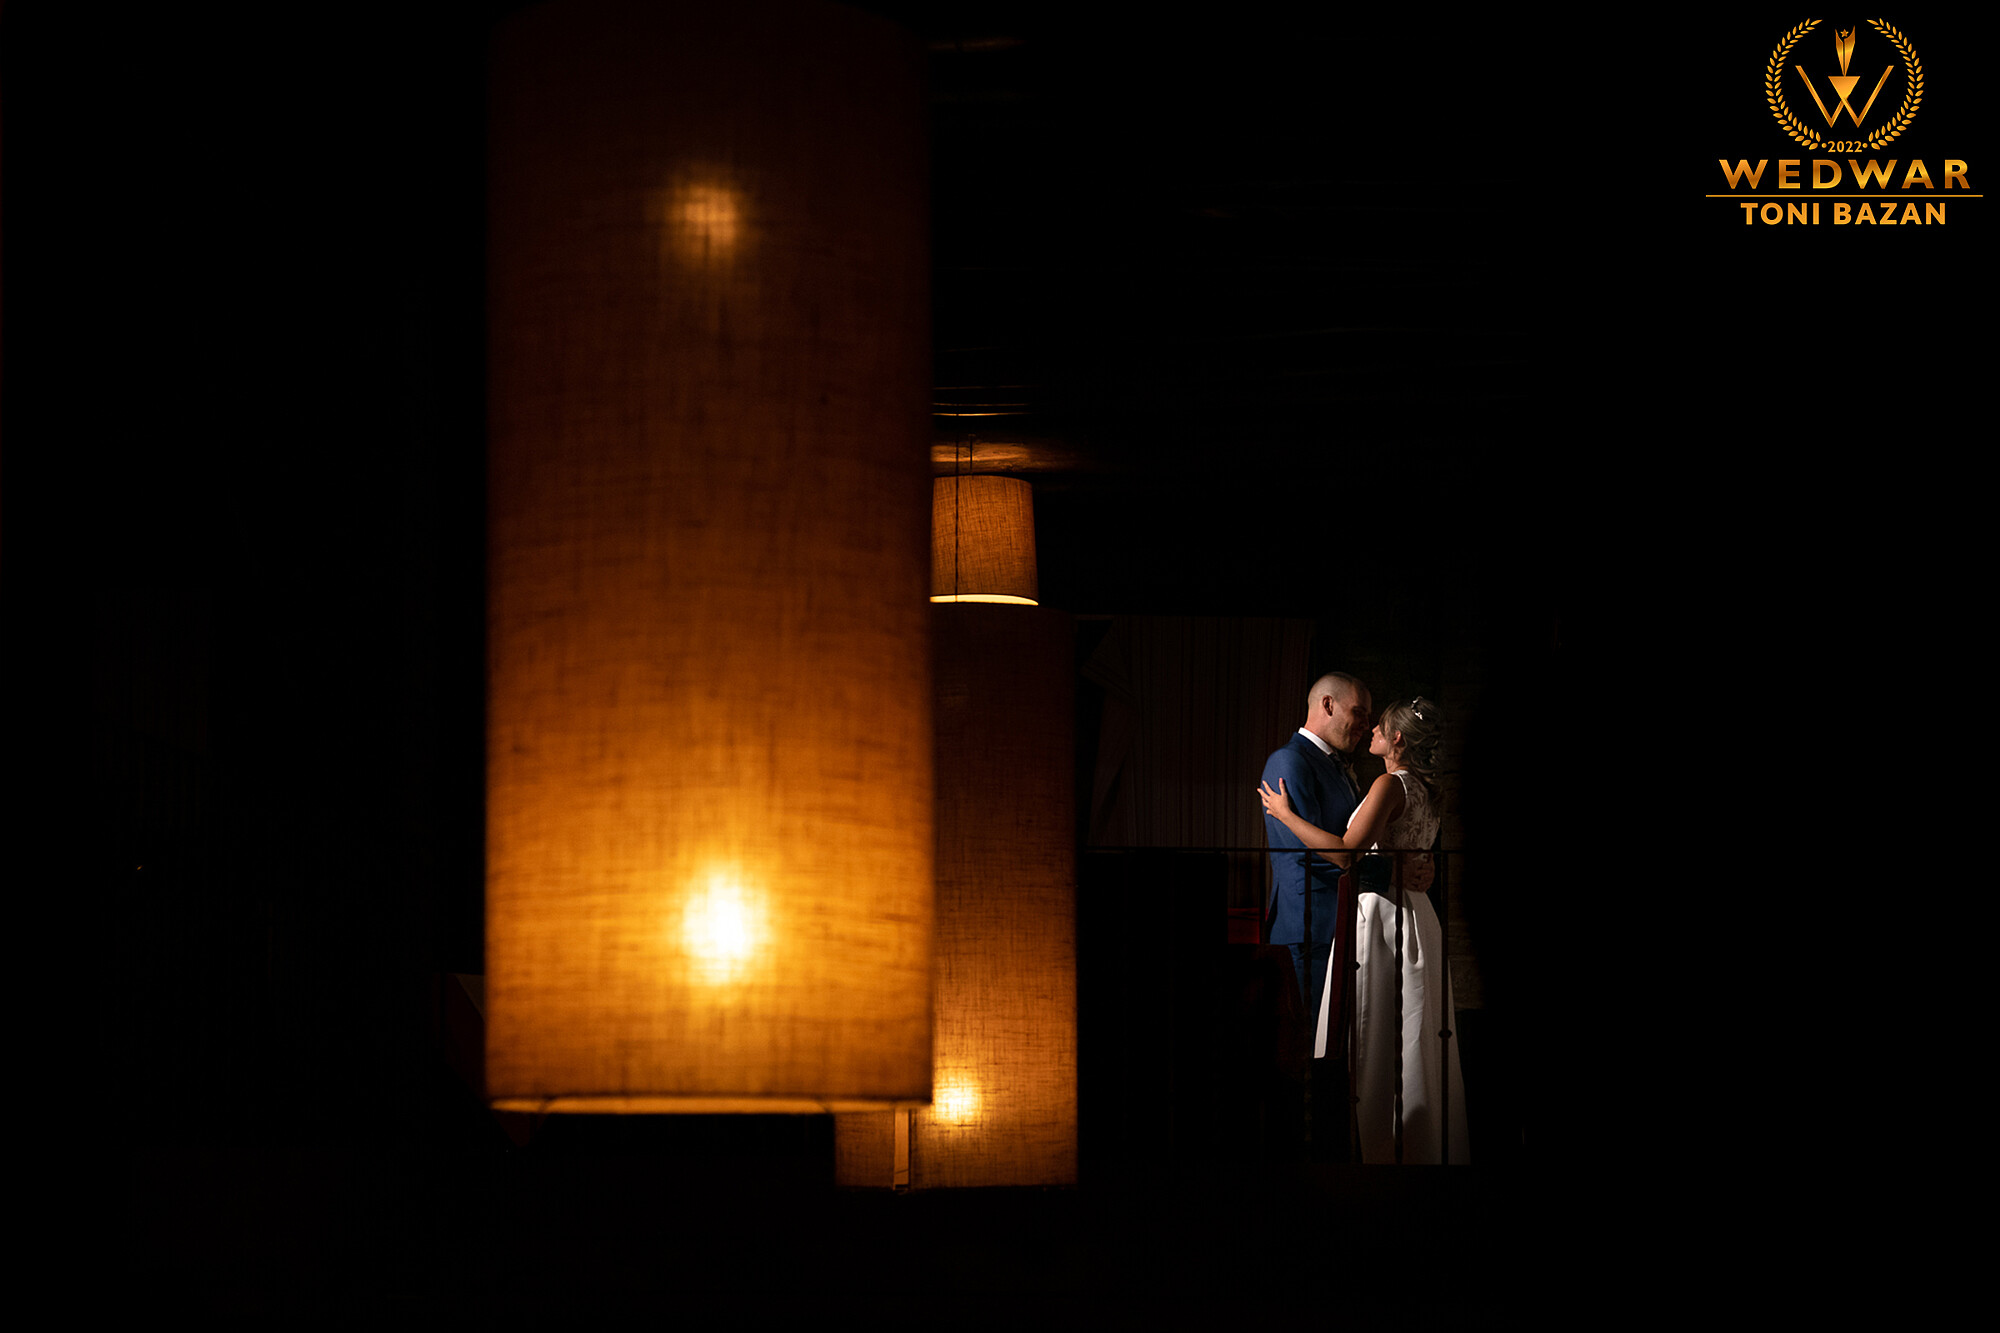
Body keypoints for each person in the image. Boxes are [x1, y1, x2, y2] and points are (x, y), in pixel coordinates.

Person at [1260, 697, 1470, 1164]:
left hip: (1384, 918)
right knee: (1410, 1031)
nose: (1371, 729)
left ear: (1396, 739)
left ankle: (1377, 1148)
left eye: (1379, 725)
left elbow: (1346, 854)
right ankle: (1414, 1142)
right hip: (1416, 915)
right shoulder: (1425, 789)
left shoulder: (1389, 784)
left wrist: (1286, 815)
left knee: (1376, 1032)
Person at [1260, 672, 1373, 1025]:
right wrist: (1391, 874)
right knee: (1308, 1045)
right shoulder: (1289, 761)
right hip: (1309, 926)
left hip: (1338, 922)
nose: (1366, 726)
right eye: (1360, 713)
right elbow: (1309, 852)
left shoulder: (1333, 764)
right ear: (1328, 705)